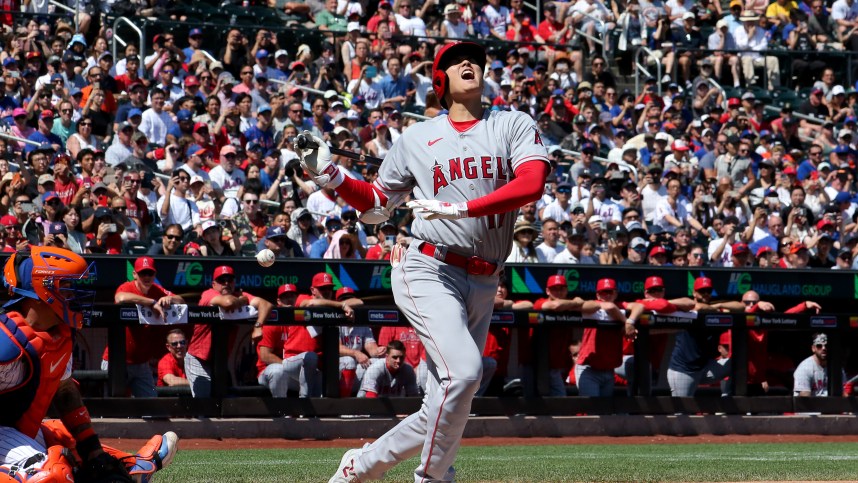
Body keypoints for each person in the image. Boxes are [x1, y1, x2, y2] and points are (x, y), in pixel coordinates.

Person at [299, 41, 549, 483]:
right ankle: (434, 478)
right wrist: (330, 175)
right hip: (429, 266)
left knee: (445, 403)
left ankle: (361, 464)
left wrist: (466, 209)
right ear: (440, 80)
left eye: (472, 58)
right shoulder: (416, 138)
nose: (466, 63)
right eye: (454, 62)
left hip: (485, 277)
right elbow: (377, 204)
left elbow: (532, 184)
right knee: (466, 373)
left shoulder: (512, 123)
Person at [0, 247, 178, 482]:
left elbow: (64, 392)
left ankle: (130, 466)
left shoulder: (59, 334)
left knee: (75, 447)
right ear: (43, 288)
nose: (76, 295)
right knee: (54, 472)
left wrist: (92, 450)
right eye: (67, 287)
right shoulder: (6, 340)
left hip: (21, 431)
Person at [105, 256, 185, 397]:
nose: (147, 277)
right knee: (116, 410)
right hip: (117, 361)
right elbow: (120, 298)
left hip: (141, 363)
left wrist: (170, 298)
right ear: (134, 274)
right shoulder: (127, 287)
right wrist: (151, 302)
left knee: (153, 409)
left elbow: (181, 301)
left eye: (150, 273)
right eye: (143, 273)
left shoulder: (157, 289)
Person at [187, 265, 273, 398]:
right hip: (199, 358)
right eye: (222, 280)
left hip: (219, 359)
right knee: (203, 402)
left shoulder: (239, 295)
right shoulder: (208, 294)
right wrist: (241, 301)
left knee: (222, 400)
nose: (226, 283)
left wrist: (258, 326)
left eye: (230, 280)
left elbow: (266, 305)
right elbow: (228, 303)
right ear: (214, 284)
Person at [575, 278, 643, 397]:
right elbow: (609, 306)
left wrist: (630, 322)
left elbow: (640, 306)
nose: (607, 295)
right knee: (592, 411)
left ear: (616, 293)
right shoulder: (593, 305)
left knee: (605, 412)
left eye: (610, 292)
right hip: (589, 369)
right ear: (597, 294)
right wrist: (626, 321)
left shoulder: (620, 306)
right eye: (603, 292)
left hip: (608, 370)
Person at [256, 284, 321, 397]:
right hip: (268, 371)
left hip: (291, 372)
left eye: (292, 295)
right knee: (279, 371)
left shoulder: (302, 318)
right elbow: (265, 356)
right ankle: (281, 411)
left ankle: (312, 410)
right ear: (279, 301)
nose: (289, 299)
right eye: (285, 296)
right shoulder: (273, 320)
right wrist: (288, 367)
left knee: (317, 374)